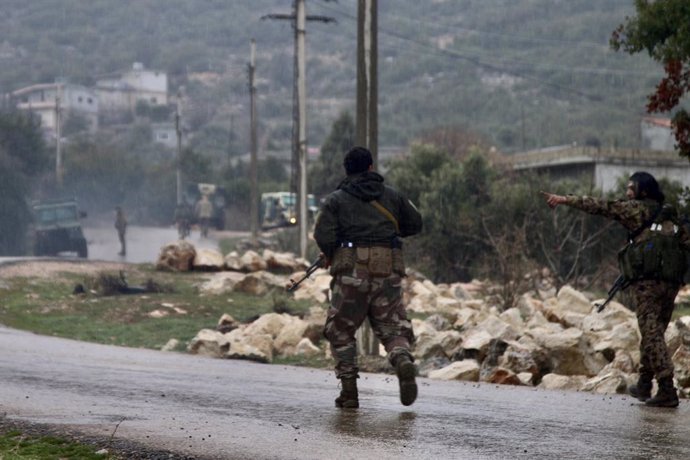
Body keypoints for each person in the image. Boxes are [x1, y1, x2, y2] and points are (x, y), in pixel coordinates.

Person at [542, 171, 689, 408]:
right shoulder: (671, 218)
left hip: (647, 285)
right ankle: (644, 381)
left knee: (651, 333)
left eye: (631, 188)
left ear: (643, 191)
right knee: (654, 333)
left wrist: (565, 199)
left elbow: (600, 206)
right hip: (671, 285)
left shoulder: (635, 210)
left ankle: (666, 388)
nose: (627, 191)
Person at [313, 146, 423, 409]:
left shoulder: (336, 200)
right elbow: (415, 224)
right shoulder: (393, 196)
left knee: (340, 329)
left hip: (351, 273)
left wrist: (332, 251)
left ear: (346, 170)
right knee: (392, 327)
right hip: (388, 272)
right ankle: (402, 359)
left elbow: (322, 235)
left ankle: (349, 392)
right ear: (371, 167)